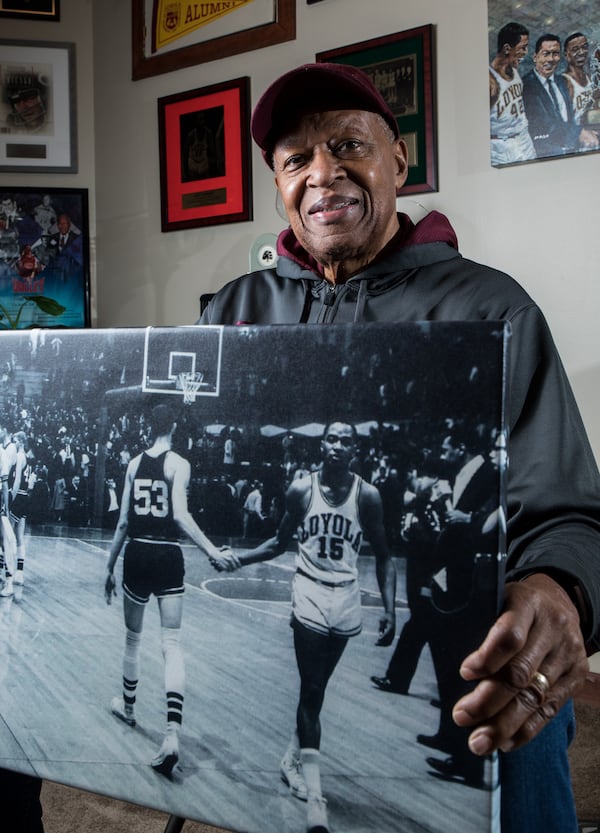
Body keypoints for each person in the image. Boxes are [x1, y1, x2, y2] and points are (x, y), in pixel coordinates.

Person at [199, 62, 600, 832]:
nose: (323, 173)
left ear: (398, 164)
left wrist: (559, 590)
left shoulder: (490, 307)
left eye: (349, 144)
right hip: (290, 614)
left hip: (475, 627)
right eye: (296, 159)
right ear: (278, 183)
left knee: (515, 718)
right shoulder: (232, 310)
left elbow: (569, 512)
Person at [214, 421, 396, 833]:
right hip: (310, 590)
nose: (337, 446)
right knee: (312, 689)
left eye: (345, 441)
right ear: (322, 444)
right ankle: (315, 799)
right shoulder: (301, 490)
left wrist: (390, 608)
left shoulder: (368, 496)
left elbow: (384, 554)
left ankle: (291, 759)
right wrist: (237, 558)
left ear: (354, 450)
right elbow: (279, 543)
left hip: (346, 594)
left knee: (317, 690)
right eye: (331, 439)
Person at [104, 403, 232, 776]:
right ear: (173, 426)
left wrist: (109, 566)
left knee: (132, 639)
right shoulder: (180, 464)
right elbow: (179, 515)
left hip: (138, 552)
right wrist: (210, 549)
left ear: (147, 426)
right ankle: (172, 733)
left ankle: (128, 710)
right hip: (168, 555)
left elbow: (125, 521)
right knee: (171, 644)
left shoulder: (132, 464)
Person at [522, 33, 599, 157]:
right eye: (546, 53)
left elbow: (570, 118)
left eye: (555, 54)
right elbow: (544, 124)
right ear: (535, 57)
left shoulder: (560, 81)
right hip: (545, 155)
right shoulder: (527, 86)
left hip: (571, 151)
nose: (551, 59)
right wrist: (578, 133)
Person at [489, 21, 536, 166]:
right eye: (522, 48)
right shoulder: (489, 80)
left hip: (523, 138)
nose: (525, 52)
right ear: (507, 48)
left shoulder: (514, 70)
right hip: (501, 145)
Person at [562, 32, 599, 126]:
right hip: (580, 136)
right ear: (566, 54)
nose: (581, 52)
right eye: (575, 49)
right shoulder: (565, 82)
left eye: (584, 47)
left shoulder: (589, 77)